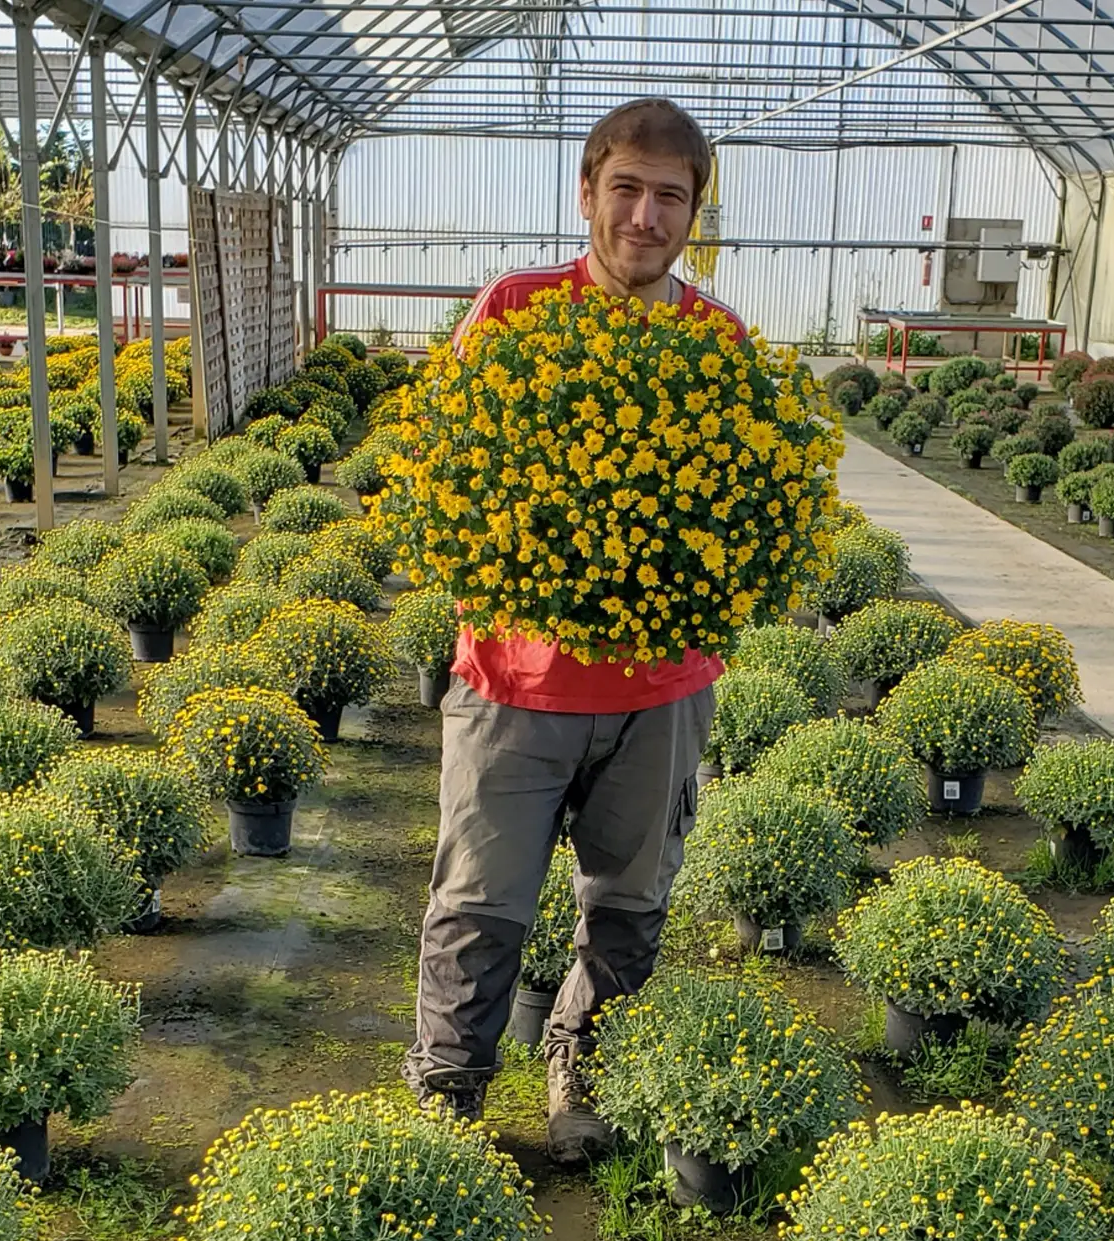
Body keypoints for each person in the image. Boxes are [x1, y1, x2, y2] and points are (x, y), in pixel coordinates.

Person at [402, 97, 745, 1167]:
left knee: (630, 907)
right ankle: (449, 1091)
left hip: (659, 692)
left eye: (670, 197)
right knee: (476, 905)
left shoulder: (715, 341)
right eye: (626, 189)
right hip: (515, 685)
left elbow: (738, 513)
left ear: (695, 212)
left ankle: (580, 1070)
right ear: (587, 193)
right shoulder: (511, 311)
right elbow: (440, 478)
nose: (646, 216)